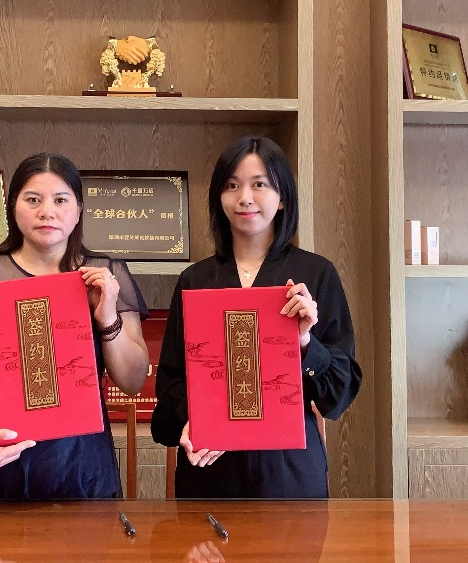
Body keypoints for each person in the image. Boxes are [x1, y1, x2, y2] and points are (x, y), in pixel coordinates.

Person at [151, 135, 361, 498]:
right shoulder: (195, 280)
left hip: (289, 473)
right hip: (210, 470)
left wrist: (304, 343)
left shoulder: (316, 274)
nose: (245, 197)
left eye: (259, 184)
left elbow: (340, 393)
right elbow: (170, 386)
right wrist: (194, 418)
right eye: (232, 185)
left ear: (283, 198)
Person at [0, 152, 151, 500]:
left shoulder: (107, 275)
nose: (46, 211)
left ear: (79, 210)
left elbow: (132, 381)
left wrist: (107, 316)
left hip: (78, 459)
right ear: (12, 206)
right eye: (33, 199)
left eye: (61, 200)